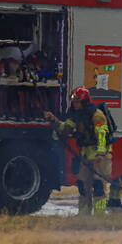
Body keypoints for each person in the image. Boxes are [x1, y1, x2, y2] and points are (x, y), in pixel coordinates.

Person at [45, 86, 111, 215]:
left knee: (98, 186)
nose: (75, 105)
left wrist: (100, 154)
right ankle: (83, 214)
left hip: (99, 155)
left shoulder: (97, 115)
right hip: (85, 154)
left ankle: (100, 214)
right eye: (74, 102)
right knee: (82, 185)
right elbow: (65, 129)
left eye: (77, 102)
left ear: (84, 102)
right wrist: (54, 120)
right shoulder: (75, 115)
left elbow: (102, 136)